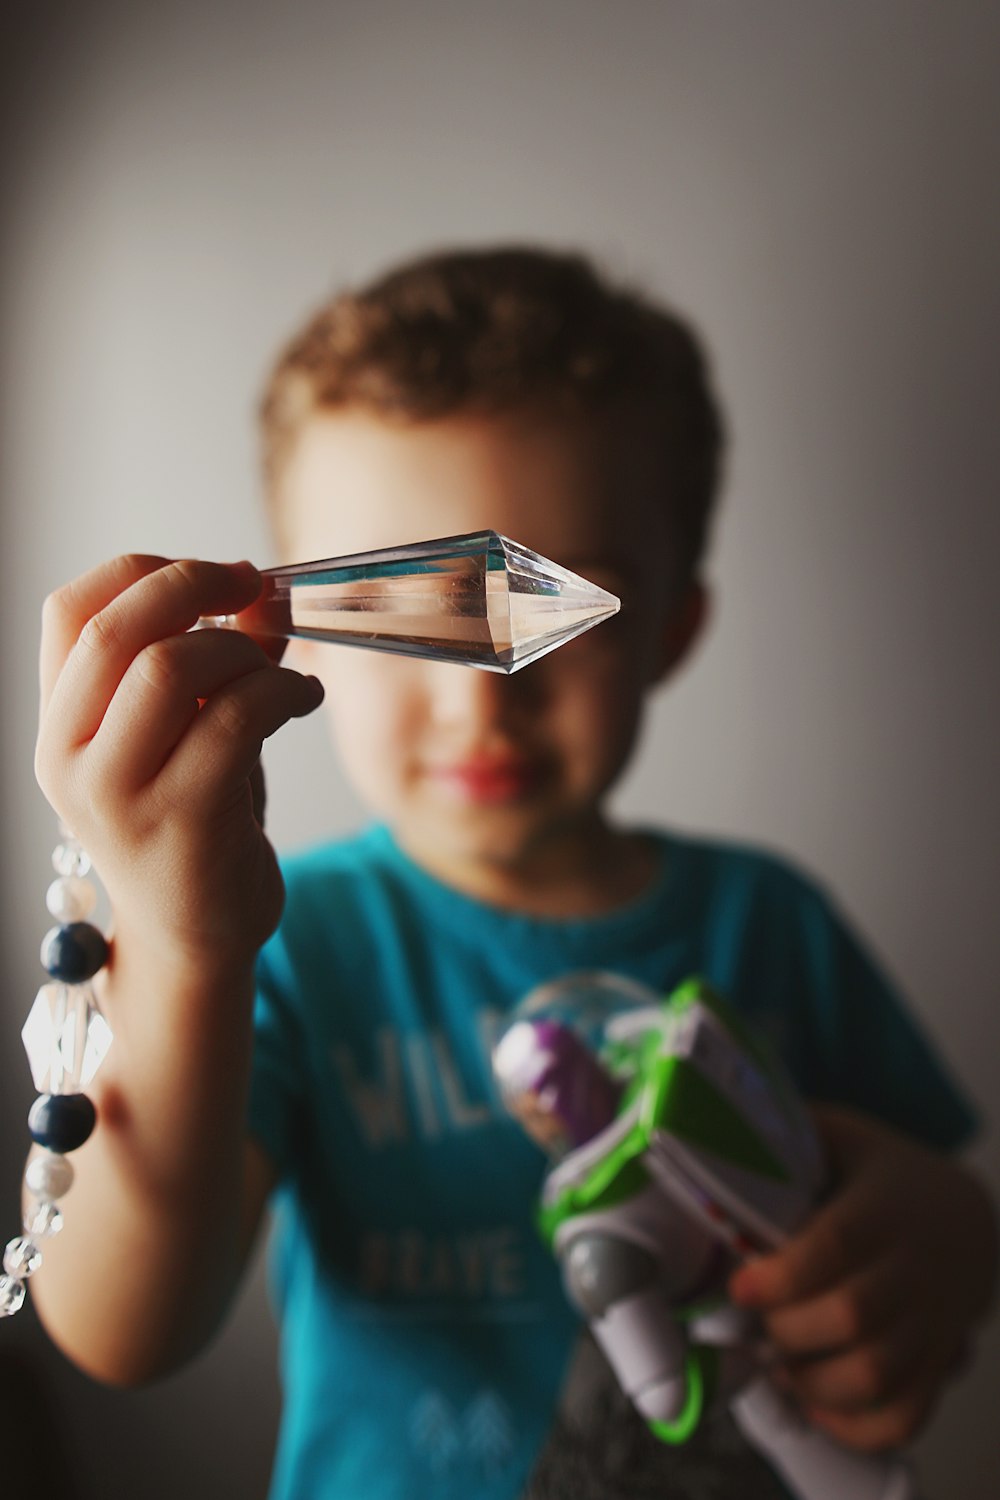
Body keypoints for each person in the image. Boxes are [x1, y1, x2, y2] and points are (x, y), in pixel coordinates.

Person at [30, 247, 996, 1500]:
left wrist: (953, 1243)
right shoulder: (289, 944)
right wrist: (185, 947)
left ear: (673, 628)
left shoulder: (771, 921)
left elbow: (943, 1218)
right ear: (284, 617)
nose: (484, 700)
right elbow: (121, 1330)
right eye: (405, 611)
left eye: (558, 606)